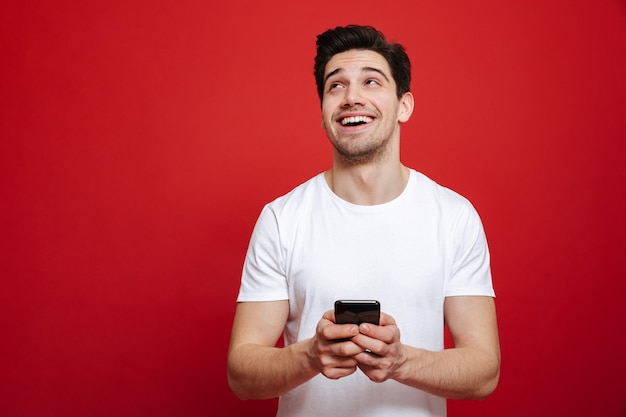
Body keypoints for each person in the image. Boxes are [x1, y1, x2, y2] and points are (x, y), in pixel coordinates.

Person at [227, 25, 500, 417]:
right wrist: (309, 356)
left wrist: (401, 361)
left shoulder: (454, 218)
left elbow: (484, 372)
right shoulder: (281, 220)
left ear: (404, 105)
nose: (351, 97)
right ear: (322, 113)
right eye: (335, 86)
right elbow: (241, 374)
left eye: (371, 81)